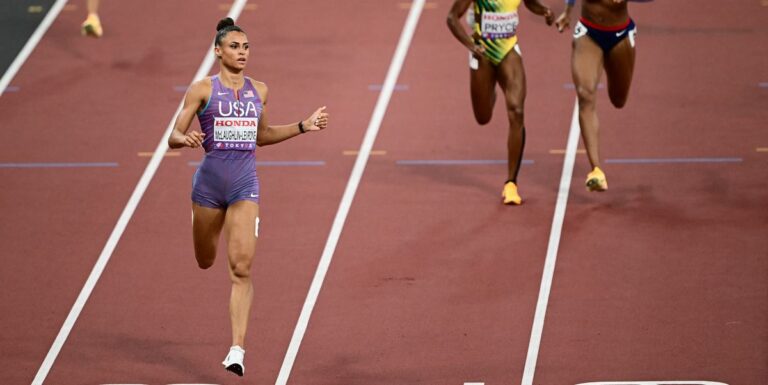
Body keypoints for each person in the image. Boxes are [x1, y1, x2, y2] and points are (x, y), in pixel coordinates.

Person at [168, 17, 328, 377]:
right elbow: (173, 136)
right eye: (235, 47)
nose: (242, 53)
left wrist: (303, 126)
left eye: (246, 47)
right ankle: (200, 222)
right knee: (205, 260)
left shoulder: (260, 90)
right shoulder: (201, 90)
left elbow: (263, 135)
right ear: (218, 51)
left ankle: (236, 350)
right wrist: (186, 139)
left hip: (244, 186)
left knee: (241, 269)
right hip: (208, 189)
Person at [447, 0, 554, 205]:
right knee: (483, 117)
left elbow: (531, 3)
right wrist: (471, 45)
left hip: (508, 49)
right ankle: (492, 93)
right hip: (482, 51)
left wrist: (544, 11)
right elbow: (451, 18)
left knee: (517, 110)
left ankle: (511, 183)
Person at [554, 0, 639, 191]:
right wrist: (568, 10)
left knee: (618, 100)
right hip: (588, 32)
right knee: (585, 94)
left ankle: (610, 63)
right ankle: (596, 170)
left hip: (620, 33)